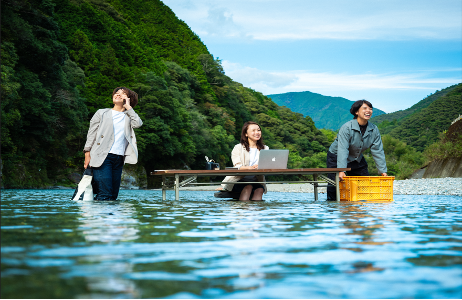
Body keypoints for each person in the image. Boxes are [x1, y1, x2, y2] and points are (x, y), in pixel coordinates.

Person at [83, 87, 143, 200]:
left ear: (128, 99)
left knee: (113, 196)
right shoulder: (101, 113)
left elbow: (138, 124)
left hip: (119, 159)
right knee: (105, 194)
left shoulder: (129, 116)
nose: (118, 94)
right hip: (102, 157)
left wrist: (128, 107)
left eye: (123, 93)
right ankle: (98, 217)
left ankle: (108, 216)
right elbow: (91, 134)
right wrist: (87, 154)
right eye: (116, 92)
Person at [326, 100, 387, 200]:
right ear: (356, 112)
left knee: (364, 182)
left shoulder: (374, 129)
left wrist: (383, 171)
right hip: (336, 157)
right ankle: (332, 208)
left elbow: (378, 150)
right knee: (335, 184)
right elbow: (343, 149)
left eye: (370, 109)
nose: (369, 111)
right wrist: (341, 170)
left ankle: (359, 208)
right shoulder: (346, 127)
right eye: (365, 108)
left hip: (356, 157)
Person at [221, 121, 269, 201]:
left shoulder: (265, 148)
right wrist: (250, 168)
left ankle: (256, 212)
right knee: (248, 187)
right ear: (246, 134)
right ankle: (243, 210)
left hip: (256, 180)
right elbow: (237, 166)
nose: (257, 132)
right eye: (253, 130)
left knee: (260, 189)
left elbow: (268, 164)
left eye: (258, 130)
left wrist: (261, 166)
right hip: (238, 180)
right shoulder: (238, 148)